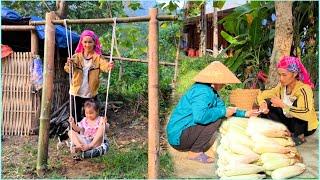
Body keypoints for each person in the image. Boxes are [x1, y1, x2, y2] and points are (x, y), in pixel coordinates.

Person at [166, 61, 258, 164]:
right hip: (179, 137)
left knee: (219, 114)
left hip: (183, 132)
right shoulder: (202, 92)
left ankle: (194, 147)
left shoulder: (210, 91)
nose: (224, 84)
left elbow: (223, 108)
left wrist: (245, 113)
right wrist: (222, 112)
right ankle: (194, 153)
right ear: (216, 80)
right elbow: (200, 117)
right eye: (223, 82)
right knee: (217, 119)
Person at [257, 56, 318, 146]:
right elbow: (263, 94)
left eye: (284, 75)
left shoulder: (304, 89)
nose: (281, 78)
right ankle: (282, 132)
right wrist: (263, 104)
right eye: (280, 74)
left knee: (296, 103)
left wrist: (283, 105)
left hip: (304, 127)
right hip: (289, 122)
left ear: (295, 74)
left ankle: (298, 137)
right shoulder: (281, 86)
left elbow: (306, 113)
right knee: (270, 103)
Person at [64, 30, 114, 122]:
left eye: (90, 42)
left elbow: (104, 66)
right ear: (81, 42)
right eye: (85, 42)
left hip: (90, 93)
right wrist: (69, 64)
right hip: (76, 92)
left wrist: (109, 66)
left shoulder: (98, 57)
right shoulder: (76, 57)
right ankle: (76, 134)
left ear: (94, 43)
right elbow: (68, 69)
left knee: (91, 116)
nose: (87, 45)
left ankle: (91, 134)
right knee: (75, 117)